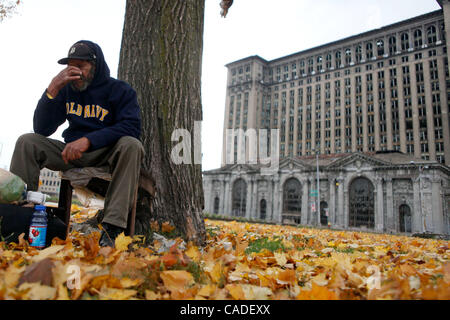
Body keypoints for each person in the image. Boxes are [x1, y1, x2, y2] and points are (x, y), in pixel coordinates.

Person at [9, 40, 144, 247]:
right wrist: (52, 90)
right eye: (70, 65)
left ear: (95, 66)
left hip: (106, 152)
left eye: (81, 66)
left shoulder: (119, 90)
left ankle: (112, 229)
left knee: (132, 145)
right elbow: (42, 129)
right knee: (27, 141)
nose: (74, 71)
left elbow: (132, 127)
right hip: (70, 153)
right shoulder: (66, 89)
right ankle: (17, 213)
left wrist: (89, 140)